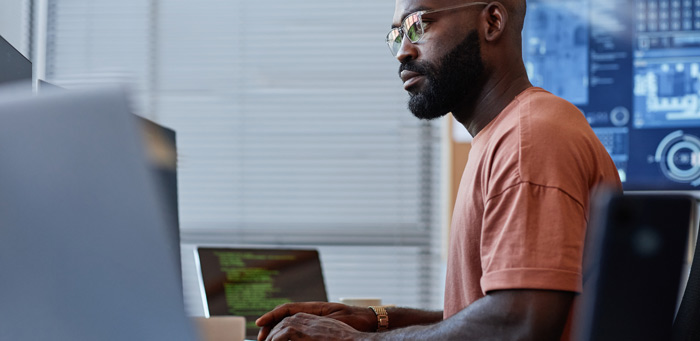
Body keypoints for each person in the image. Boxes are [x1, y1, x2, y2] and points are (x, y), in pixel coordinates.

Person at [256, 0, 622, 339]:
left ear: (492, 22)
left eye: (419, 24)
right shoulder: (507, 134)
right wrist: (376, 320)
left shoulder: (530, 139)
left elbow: (520, 321)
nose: (403, 51)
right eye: (397, 34)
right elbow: (485, 315)